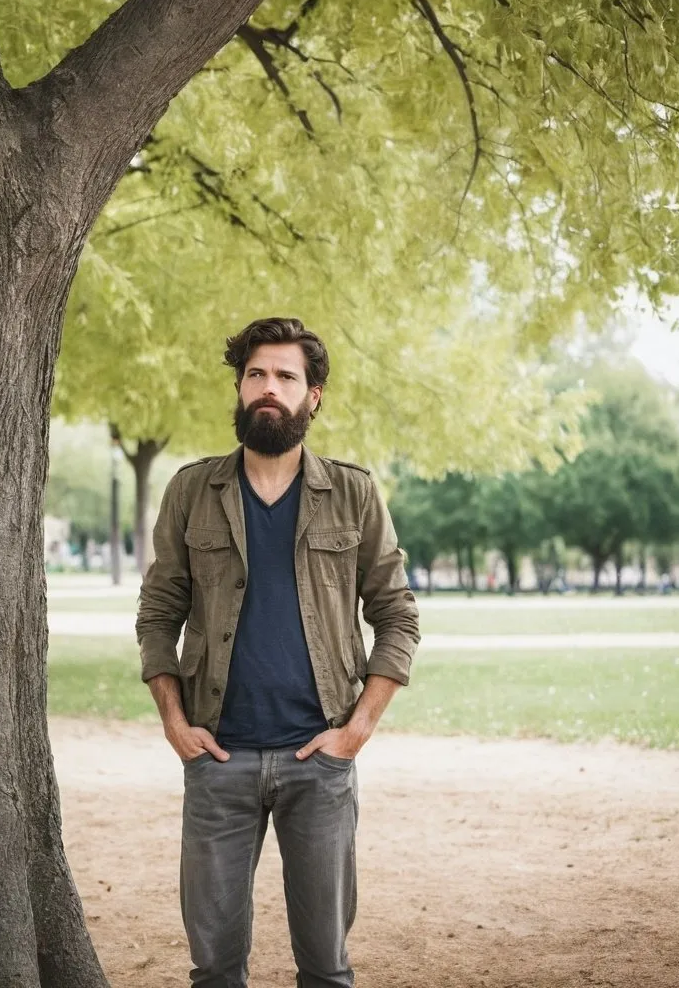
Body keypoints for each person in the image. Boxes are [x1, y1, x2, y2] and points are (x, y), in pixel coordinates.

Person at [136, 317, 421, 988]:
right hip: (218, 763)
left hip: (318, 765)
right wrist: (175, 722)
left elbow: (398, 617)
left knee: (326, 967)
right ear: (239, 388)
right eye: (257, 374)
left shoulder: (353, 493)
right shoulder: (190, 490)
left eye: (286, 377)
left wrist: (357, 731)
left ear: (313, 395)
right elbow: (157, 616)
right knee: (214, 968)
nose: (270, 388)